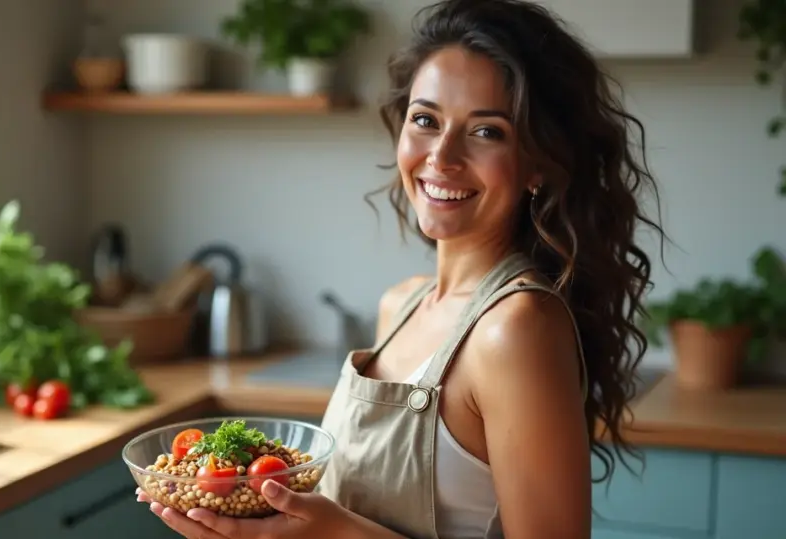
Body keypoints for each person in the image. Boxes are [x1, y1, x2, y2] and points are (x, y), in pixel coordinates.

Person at [137, 0, 664, 537]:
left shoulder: (516, 329)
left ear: (538, 165)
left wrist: (334, 533)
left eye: (487, 132)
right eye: (426, 120)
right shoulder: (402, 304)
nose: (441, 157)